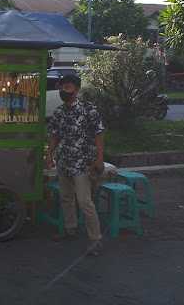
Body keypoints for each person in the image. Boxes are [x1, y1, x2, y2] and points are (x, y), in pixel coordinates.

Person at [47, 74, 105, 255]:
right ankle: (70, 229)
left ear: (77, 89)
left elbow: (99, 134)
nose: (64, 90)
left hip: (82, 163)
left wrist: (99, 158)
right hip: (64, 161)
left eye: (68, 87)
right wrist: (49, 155)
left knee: (84, 201)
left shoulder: (89, 110)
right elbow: (55, 135)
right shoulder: (59, 112)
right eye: (62, 86)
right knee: (66, 198)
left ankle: (95, 240)